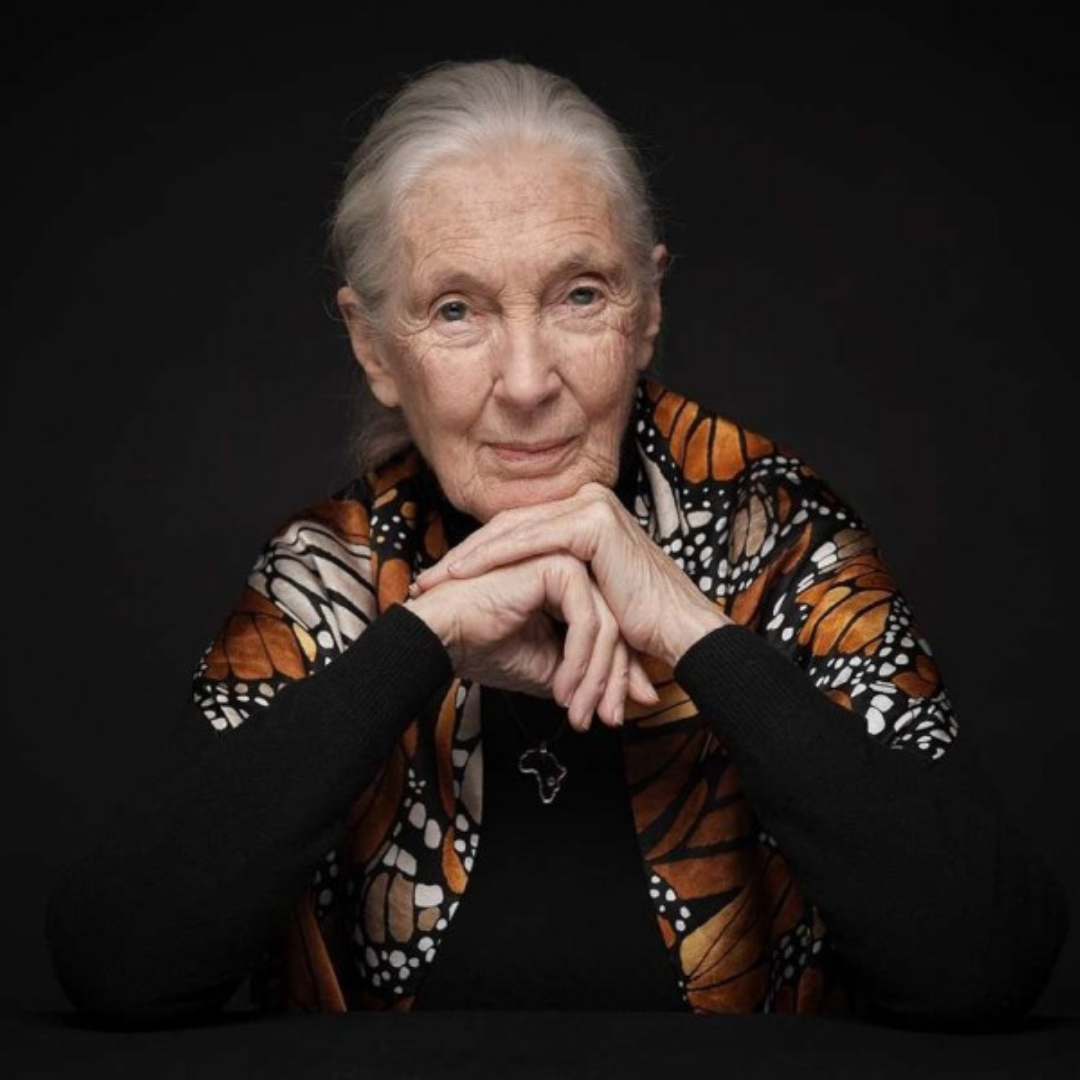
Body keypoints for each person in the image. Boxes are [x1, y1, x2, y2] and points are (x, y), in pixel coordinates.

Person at [46, 56, 1068, 1029]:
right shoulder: (330, 571)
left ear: (647, 309)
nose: (529, 382)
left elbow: (985, 962)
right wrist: (423, 639)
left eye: (580, 295)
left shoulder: (784, 534)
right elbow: (120, 964)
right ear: (374, 347)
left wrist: (692, 629)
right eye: (457, 310)